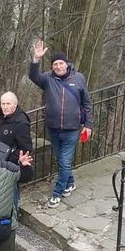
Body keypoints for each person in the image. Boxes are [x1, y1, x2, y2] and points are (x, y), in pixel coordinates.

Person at [28, 39, 93, 209]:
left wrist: (89, 125)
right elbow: (33, 76)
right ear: (51, 67)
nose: (58, 66)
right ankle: (70, 182)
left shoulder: (78, 78)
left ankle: (57, 193)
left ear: (66, 63)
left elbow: (86, 102)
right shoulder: (48, 79)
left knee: (64, 161)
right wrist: (36, 59)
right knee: (60, 159)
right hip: (53, 128)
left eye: (60, 63)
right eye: (55, 64)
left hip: (72, 129)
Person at [0, 91, 34, 206]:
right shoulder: (4, 116)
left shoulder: (21, 122)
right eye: (3, 104)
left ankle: (14, 212)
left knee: (12, 190)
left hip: (10, 164)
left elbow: (26, 149)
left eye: (8, 104)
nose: (5, 107)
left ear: (15, 104)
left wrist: (9, 157)